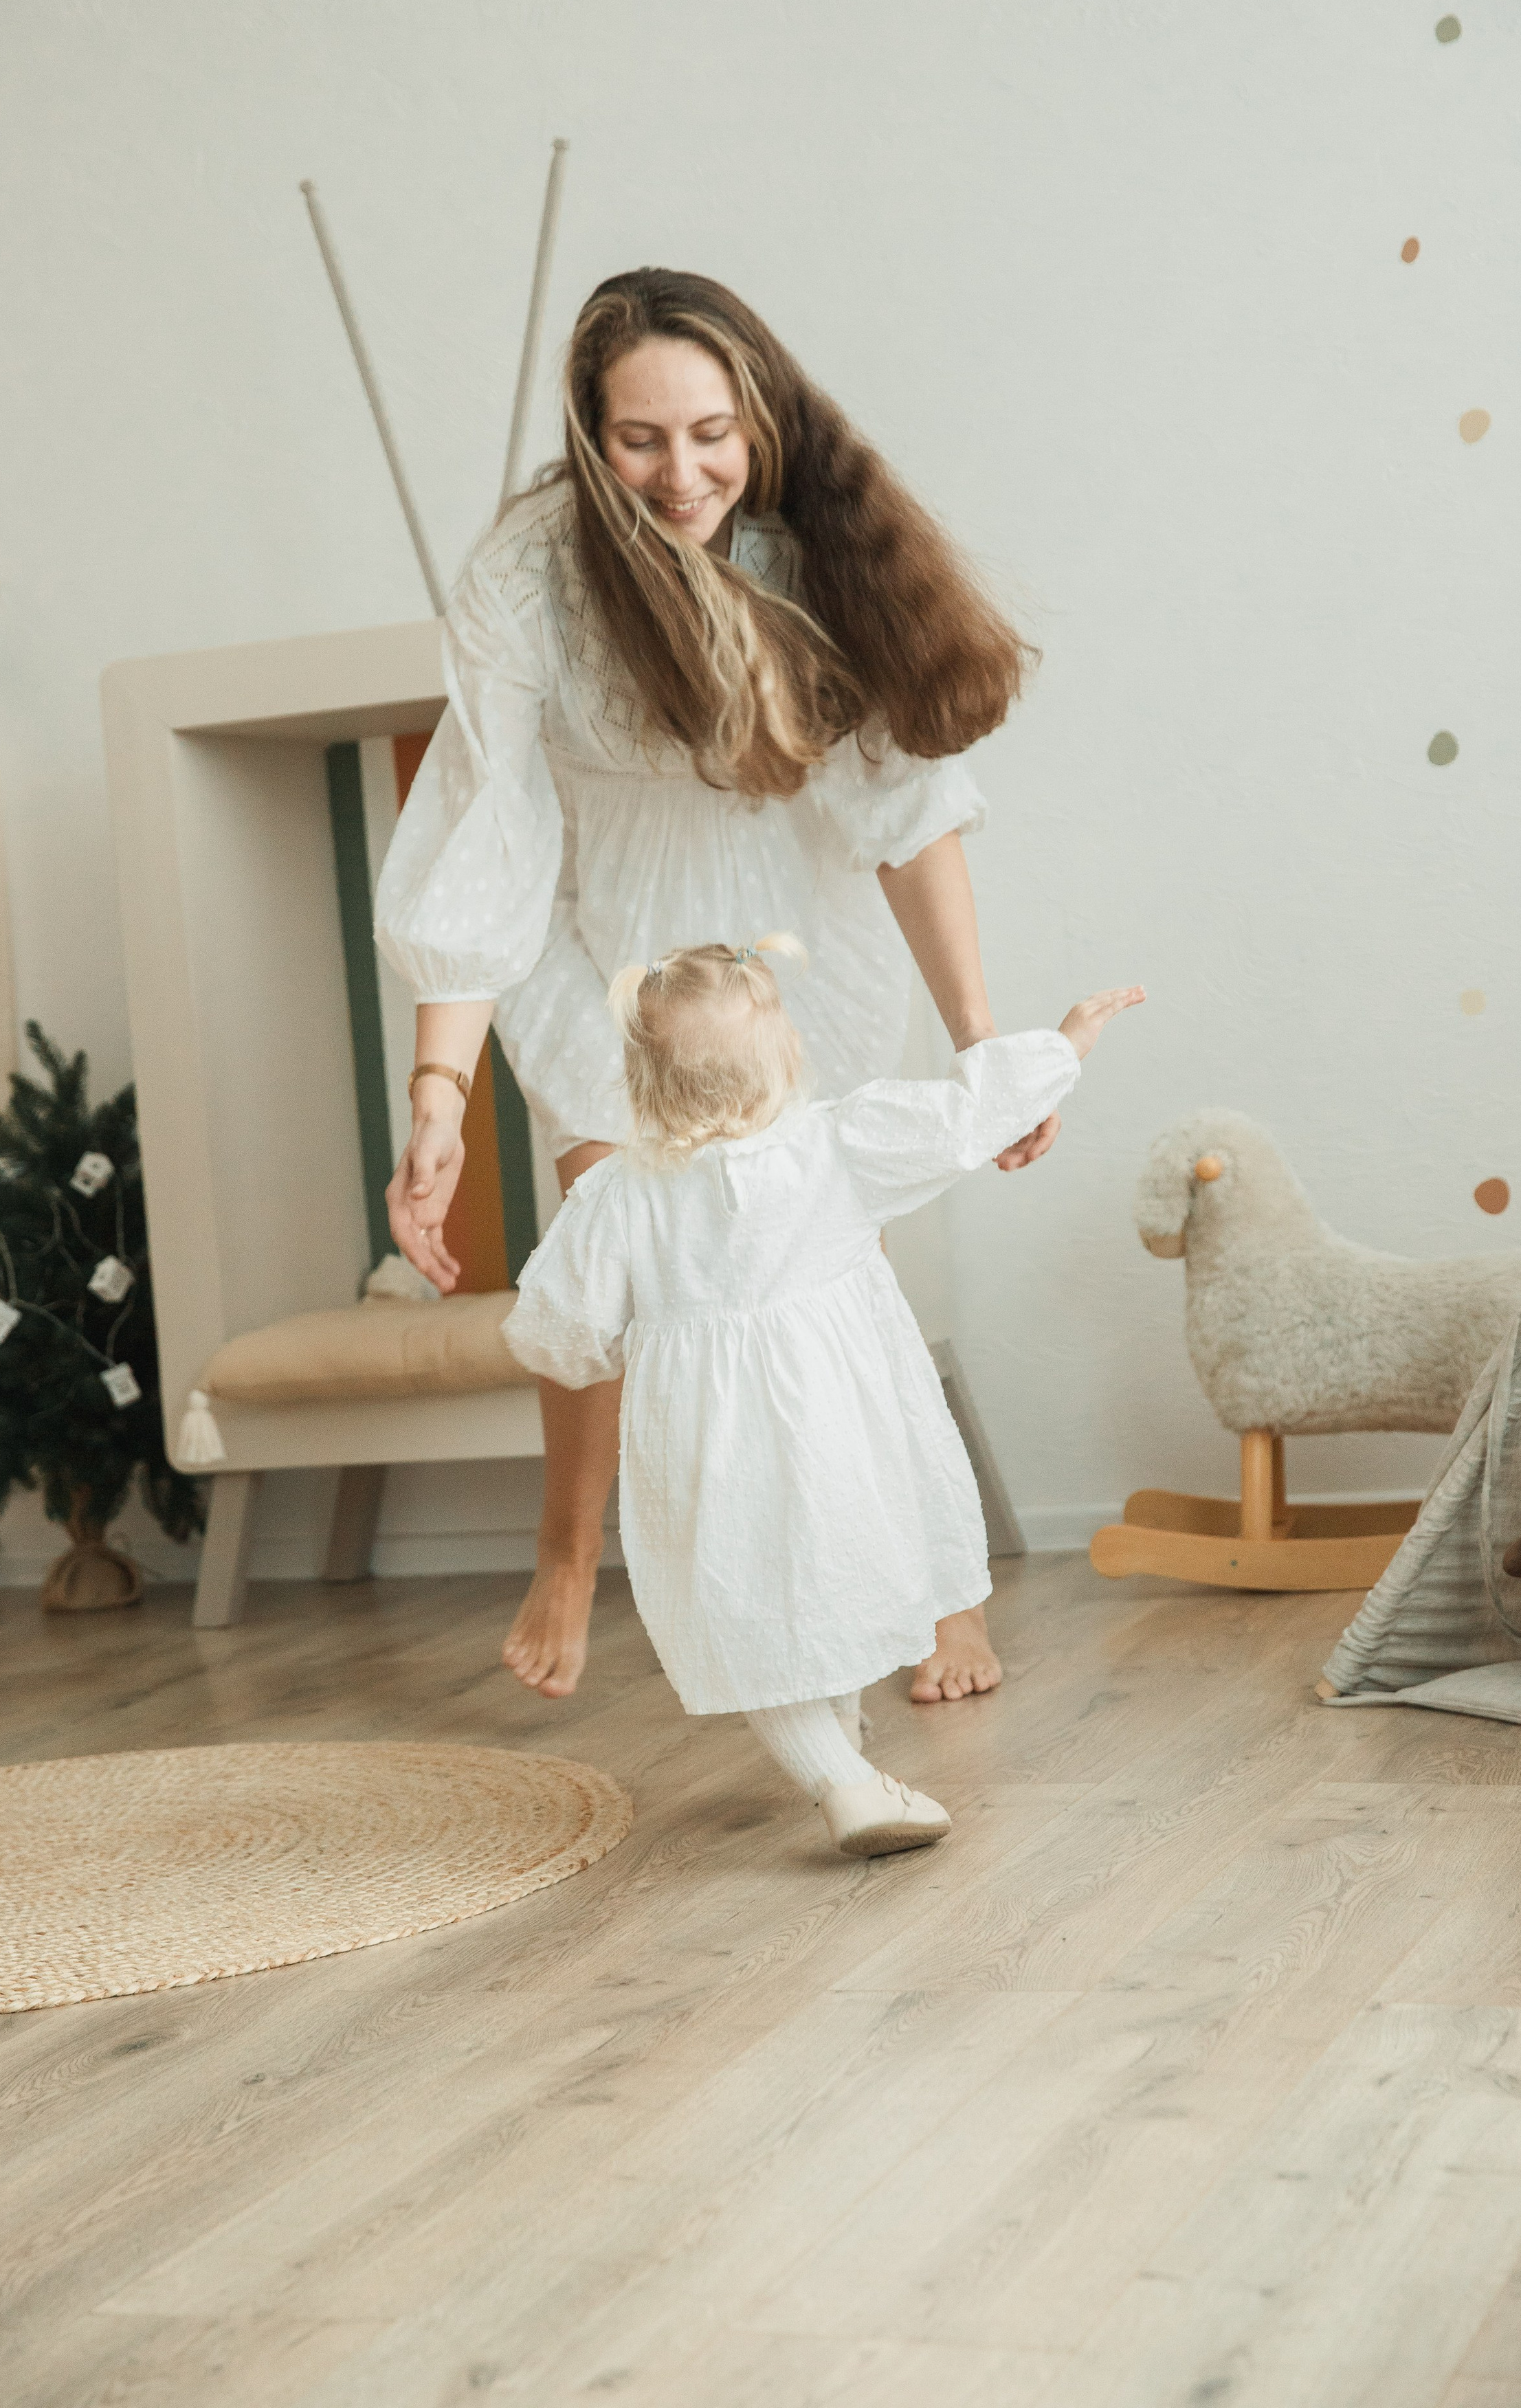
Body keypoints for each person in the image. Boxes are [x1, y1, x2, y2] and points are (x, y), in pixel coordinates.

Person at [376, 267, 1052, 1703]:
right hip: (602, 952)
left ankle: (936, 1593)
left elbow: (908, 818)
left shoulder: (813, 552)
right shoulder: (527, 576)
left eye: (709, 434)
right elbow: (487, 832)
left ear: (758, 419)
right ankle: (569, 1552)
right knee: (612, 1249)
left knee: (833, 1280)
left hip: (786, 943)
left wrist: (981, 1046)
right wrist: (438, 1089)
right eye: (639, 440)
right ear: (588, 434)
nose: (679, 473)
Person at [501, 939, 1143, 1853]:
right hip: (843, 1430)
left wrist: (620, 1339)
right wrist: (1066, 1043)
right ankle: (843, 1781)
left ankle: (840, 1753)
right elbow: (968, 1115)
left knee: (757, 1607)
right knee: (829, 1581)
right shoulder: (839, 1141)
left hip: (706, 1451)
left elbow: (560, 1332)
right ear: (787, 1055)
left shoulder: (617, 1195)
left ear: (640, 1083)